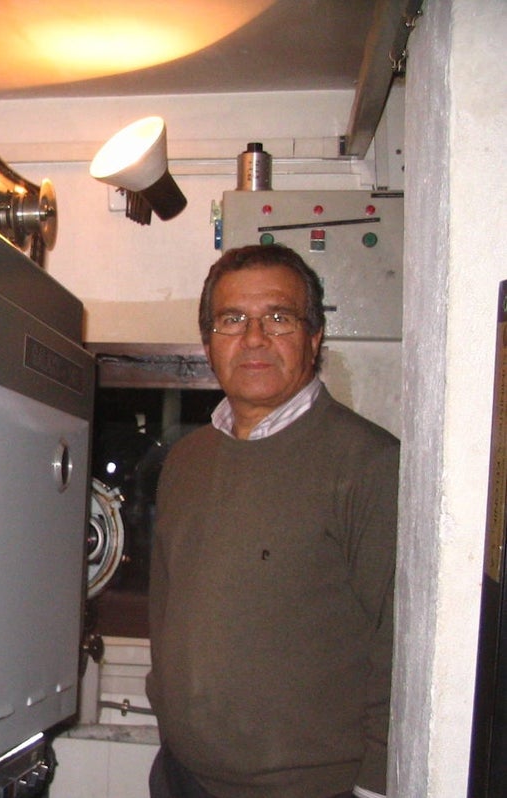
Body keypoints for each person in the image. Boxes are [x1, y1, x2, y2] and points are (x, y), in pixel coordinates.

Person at [145, 243, 399, 798]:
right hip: (182, 776)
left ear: (314, 337)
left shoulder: (369, 464)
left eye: (278, 318)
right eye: (232, 319)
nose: (254, 338)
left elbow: (398, 641)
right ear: (208, 344)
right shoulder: (185, 460)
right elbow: (165, 604)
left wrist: (377, 784)